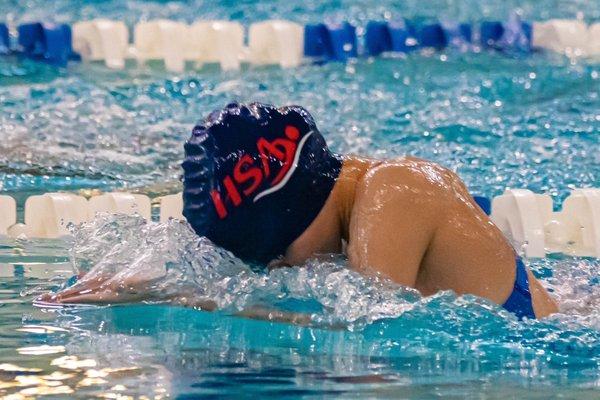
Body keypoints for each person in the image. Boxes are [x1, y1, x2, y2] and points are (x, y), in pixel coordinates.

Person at [40, 102, 558, 319]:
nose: (284, 267)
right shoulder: (352, 216)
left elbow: (368, 343)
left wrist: (190, 301)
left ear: (299, 204)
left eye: (279, 251)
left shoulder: (394, 192)